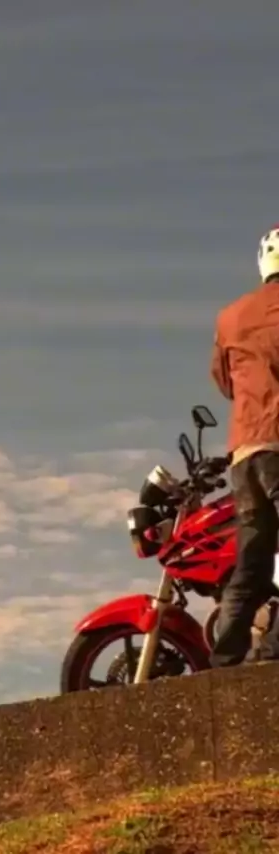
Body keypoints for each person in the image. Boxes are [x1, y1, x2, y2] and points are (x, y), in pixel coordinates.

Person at [209, 224, 279, 668]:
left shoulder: (230, 316)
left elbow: (223, 381)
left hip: (245, 450)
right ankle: (273, 650)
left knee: (251, 561)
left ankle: (225, 658)